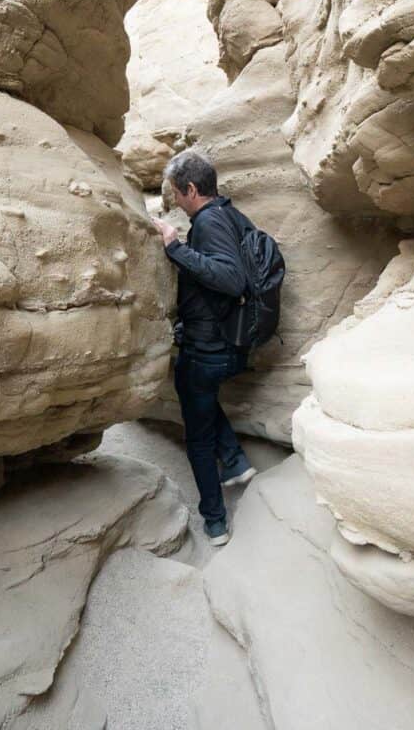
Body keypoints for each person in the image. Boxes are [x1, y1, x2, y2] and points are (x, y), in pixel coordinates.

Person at [151, 151, 256, 546]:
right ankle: (234, 460)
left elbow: (230, 280)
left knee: (197, 436)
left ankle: (215, 522)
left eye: (177, 194)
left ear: (192, 189)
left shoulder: (209, 223)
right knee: (198, 395)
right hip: (232, 343)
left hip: (209, 350)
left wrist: (175, 248)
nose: (176, 201)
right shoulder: (232, 216)